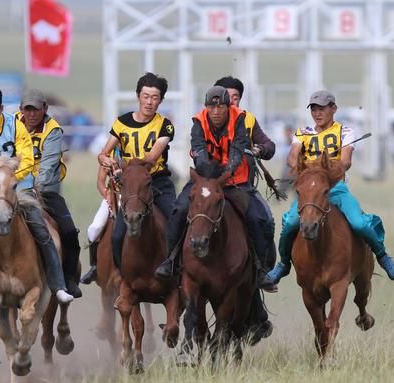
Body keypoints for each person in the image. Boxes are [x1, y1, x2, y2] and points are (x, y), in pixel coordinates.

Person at [154, 85, 274, 339]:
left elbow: (238, 148)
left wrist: (227, 172)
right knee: (178, 210)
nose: (216, 111)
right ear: (207, 107)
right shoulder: (199, 121)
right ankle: (171, 260)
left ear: (228, 107)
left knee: (257, 217)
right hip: (205, 180)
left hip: (235, 182)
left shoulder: (240, 118)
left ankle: (260, 268)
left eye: (221, 106)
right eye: (212, 106)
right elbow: (197, 151)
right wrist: (208, 175)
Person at [0, 85, 74, 319]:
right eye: (27, 109)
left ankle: (60, 285)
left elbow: (35, 162)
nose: (31, 114)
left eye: (36, 110)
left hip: (31, 187)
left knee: (54, 230)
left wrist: (19, 183)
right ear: (19, 110)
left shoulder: (47, 130)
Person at [263, 90, 394, 286]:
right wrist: (303, 167)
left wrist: (327, 169)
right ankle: (283, 264)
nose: (317, 114)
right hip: (310, 191)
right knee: (291, 224)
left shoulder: (345, 132)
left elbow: (346, 161)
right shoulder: (302, 133)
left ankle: (381, 255)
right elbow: (292, 156)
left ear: (333, 109)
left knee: (359, 223)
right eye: (314, 110)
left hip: (335, 188)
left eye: (322, 109)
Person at [96, 72, 177, 270]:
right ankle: (120, 276)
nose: (149, 102)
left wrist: (127, 165)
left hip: (157, 183)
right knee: (115, 235)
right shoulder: (121, 123)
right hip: (131, 186)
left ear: (161, 100)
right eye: (146, 96)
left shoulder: (165, 126)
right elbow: (103, 154)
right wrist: (109, 162)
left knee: (176, 221)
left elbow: (151, 159)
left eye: (155, 97)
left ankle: (177, 270)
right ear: (138, 96)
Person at [214, 76, 278, 282]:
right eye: (226, 96)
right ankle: (173, 264)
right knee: (180, 212)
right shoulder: (207, 118)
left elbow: (269, 146)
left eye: (236, 97)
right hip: (211, 185)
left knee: (263, 219)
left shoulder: (247, 119)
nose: (231, 101)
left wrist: (258, 149)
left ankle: (263, 270)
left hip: (241, 187)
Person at [79, 147, 121, 285]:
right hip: (113, 195)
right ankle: (95, 266)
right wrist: (107, 194)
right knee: (94, 228)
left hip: (133, 197)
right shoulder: (109, 155)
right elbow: (100, 182)